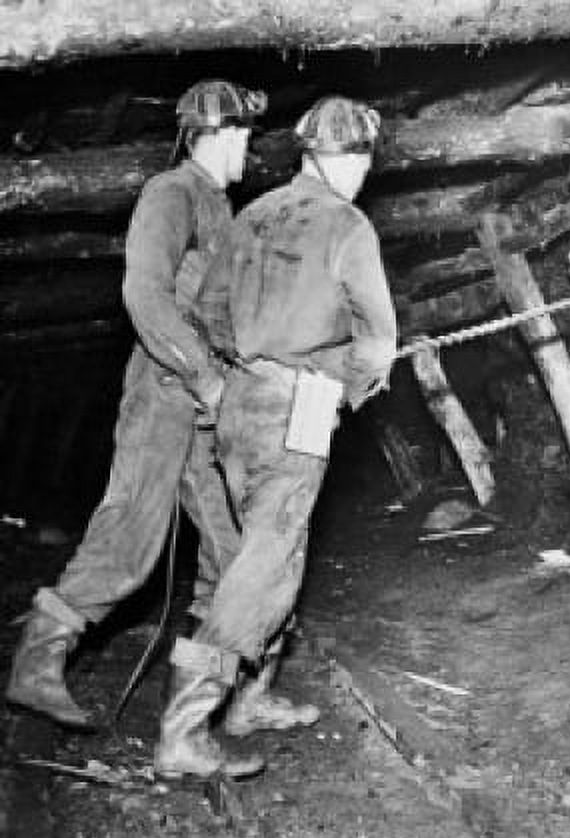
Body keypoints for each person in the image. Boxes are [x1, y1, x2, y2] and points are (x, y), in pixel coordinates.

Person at [5, 81, 311, 749]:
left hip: (204, 408)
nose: (248, 150)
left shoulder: (221, 213)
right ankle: (37, 662)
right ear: (213, 135)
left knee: (238, 560)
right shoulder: (170, 195)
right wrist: (203, 376)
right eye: (242, 137)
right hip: (163, 393)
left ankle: (226, 704)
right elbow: (144, 293)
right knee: (130, 545)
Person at [153, 95, 397, 779]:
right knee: (265, 564)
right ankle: (183, 730)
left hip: (238, 403)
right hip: (300, 405)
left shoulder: (254, 213)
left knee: (270, 554)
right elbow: (378, 343)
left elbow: (206, 312)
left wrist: (253, 366)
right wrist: (340, 384)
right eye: (361, 160)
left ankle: (249, 702)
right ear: (356, 158)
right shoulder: (349, 225)